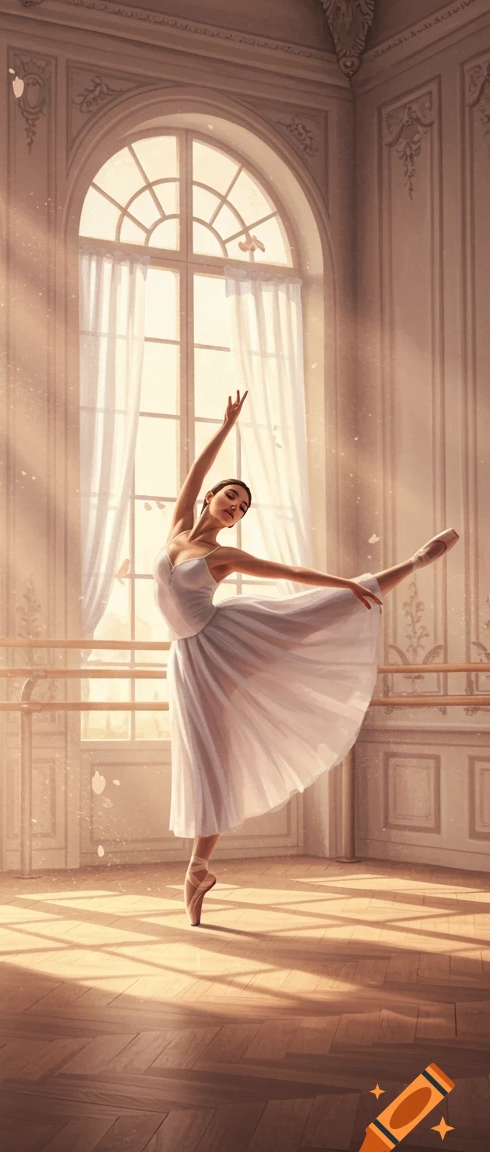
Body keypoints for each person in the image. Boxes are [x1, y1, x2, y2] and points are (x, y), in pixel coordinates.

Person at [153, 390, 458, 928]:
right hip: (187, 658)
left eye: (243, 507)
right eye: (230, 496)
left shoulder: (223, 556)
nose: (235, 507)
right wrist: (224, 426)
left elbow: (290, 574)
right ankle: (200, 869)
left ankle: (410, 563)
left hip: (220, 641)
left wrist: (343, 580)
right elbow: (195, 468)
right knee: (206, 758)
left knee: (309, 612)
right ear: (209, 499)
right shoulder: (178, 531)